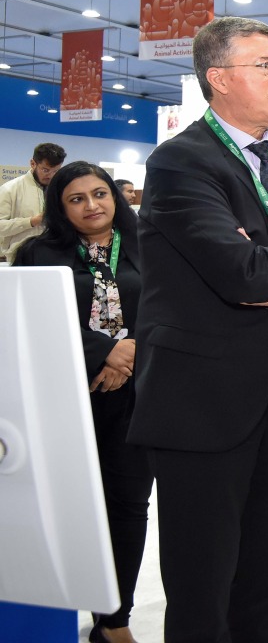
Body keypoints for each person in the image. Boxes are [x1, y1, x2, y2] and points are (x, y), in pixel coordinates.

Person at [128, 16, 268, 642]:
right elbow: (239, 274)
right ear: (219, 78)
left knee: (267, 569)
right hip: (199, 399)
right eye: (267, 67)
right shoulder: (180, 163)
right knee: (203, 582)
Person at [12, 161, 153, 643]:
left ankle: (115, 621)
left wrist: (128, 355)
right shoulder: (35, 252)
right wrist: (103, 351)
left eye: (100, 193)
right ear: (60, 206)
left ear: (115, 196)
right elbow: (25, 321)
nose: (92, 205)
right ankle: (57, 608)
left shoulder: (150, 247)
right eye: (77, 198)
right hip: (65, 401)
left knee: (129, 508)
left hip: (136, 396)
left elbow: (172, 309)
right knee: (65, 507)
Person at [0, 141, 66, 261]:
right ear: (32, 163)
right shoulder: (9, 189)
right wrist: (31, 222)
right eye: (45, 170)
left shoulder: (62, 190)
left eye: (56, 171)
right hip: (20, 258)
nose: (51, 176)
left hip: (56, 255)